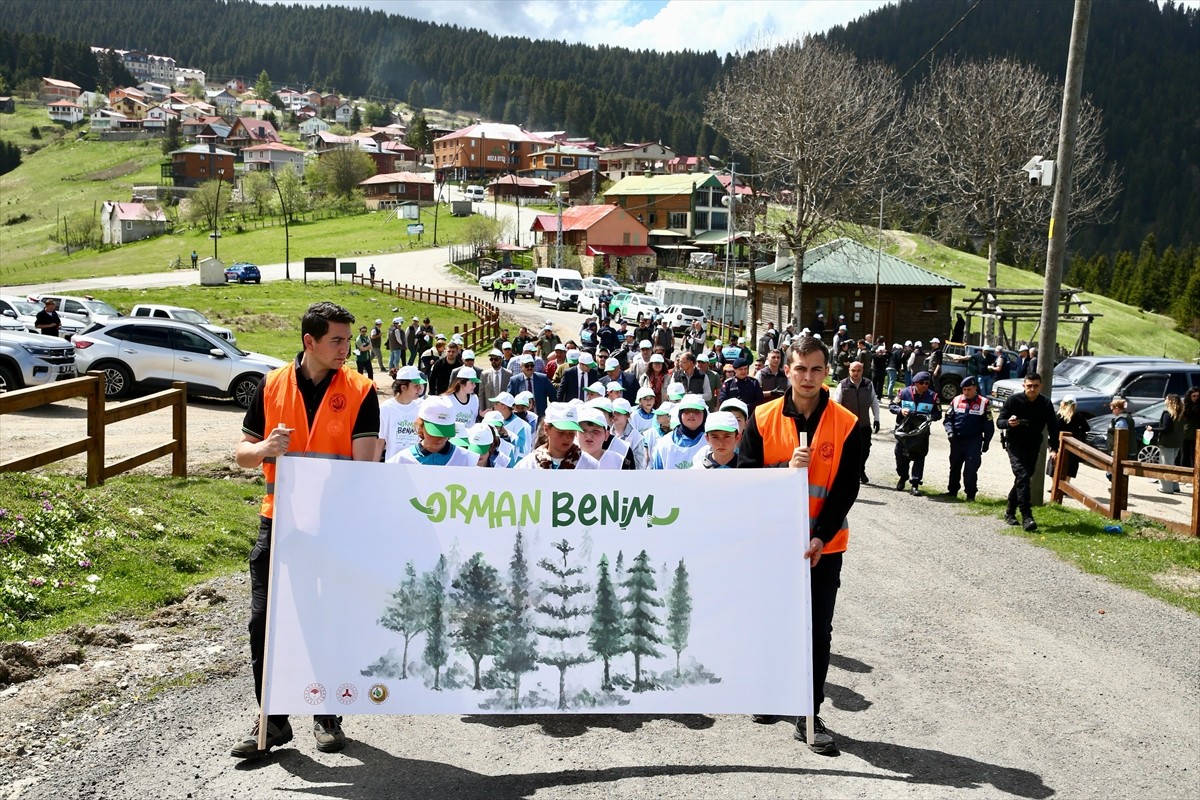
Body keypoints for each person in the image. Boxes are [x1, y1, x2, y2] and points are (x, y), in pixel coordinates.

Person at [232, 301, 379, 759]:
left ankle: (327, 713)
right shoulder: (271, 384)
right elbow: (242, 453)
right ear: (309, 341)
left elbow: (364, 465)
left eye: (348, 340)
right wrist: (264, 449)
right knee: (264, 622)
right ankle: (272, 720)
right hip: (278, 523)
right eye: (336, 340)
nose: (345, 348)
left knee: (326, 619)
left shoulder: (361, 389)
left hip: (333, 527)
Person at [738, 336, 862, 755]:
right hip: (772, 544)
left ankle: (808, 712)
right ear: (787, 370)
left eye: (816, 369)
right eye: (800, 369)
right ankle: (771, 694)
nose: (808, 377)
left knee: (817, 630)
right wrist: (783, 469)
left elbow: (845, 490)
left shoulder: (848, 423)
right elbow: (745, 478)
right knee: (772, 622)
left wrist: (820, 535)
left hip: (823, 547)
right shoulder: (762, 417)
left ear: (827, 372)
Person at [995, 373, 1058, 531]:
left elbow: (1053, 427)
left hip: (1033, 445)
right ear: (1024, 386)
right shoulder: (1013, 400)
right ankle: (1027, 516)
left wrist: (1054, 449)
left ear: (1040, 386)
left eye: (1035, 386)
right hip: (1015, 444)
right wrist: (1008, 423)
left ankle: (1009, 511)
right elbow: (999, 421)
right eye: (1029, 386)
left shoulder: (1045, 403)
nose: (1032, 389)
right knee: (1022, 475)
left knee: (1023, 478)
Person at [942, 376, 994, 501]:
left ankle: (970, 494)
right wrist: (950, 432)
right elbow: (948, 419)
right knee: (954, 467)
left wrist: (986, 442)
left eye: (969, 389)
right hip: (957, 440)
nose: (966, 392)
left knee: (971, 469)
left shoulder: (983, 402)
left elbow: (988, 425)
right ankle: (952, 491)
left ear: (975, 388)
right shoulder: (956, 400)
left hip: (974, 441)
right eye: (964, 390)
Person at [890, 371, 941, 496]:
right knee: (900, 455)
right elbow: (892, 406)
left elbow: (938, 414)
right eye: (922, 383)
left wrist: (930, 417)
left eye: (927, 383)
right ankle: (903, 476)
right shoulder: (903, 393)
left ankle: (915, 484)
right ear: (915, 383)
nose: (925, 385)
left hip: (921, 433)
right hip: (904, 431)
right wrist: (901, 410)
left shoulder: (933, 396)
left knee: (919, 457)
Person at [386, 395, 477, 466]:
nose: (439, 438)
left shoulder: (468, 460)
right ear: (421, 426)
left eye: (445, 432)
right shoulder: (400, 461)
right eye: (434, 433)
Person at [832, 360, 880, 485]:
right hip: (848, 426)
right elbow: (836, 404)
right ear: (849, 371)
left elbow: (874, 402)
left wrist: (877, 419)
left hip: (864, 424)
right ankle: (847, 472)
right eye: (853, 370)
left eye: (858, 370)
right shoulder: (843, 385)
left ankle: (860, 469)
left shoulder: (868, 384)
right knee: (848, 450)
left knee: (865, 449)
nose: (856, 373)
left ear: (862, 371)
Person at [514, 403, 599, 469]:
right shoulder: (527, 465)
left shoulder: (590, 465)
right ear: (546, 429)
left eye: (572, 433)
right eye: (561, 432)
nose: (567, 438)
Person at [376, 366, 426, 461]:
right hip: (393, 463)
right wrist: (374, 466)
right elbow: (380, 441)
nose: (420, 389)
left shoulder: (422, 406)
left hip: (416, 463)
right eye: (416, 385)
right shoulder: (386, 408)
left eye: (420, 385)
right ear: (403, 387)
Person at [651, 394, 708, 470]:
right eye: (687, 411)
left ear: (704, 415)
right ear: (680, 414)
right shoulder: (664, 444)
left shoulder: (712, 442)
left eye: (696, 411)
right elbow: (657, 474)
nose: (691, 414)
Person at [1151, 394, 1185, 494]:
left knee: (1166, 465)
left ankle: (1166, 488)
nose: (1164, 400)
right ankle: (1174, 486)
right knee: (1172, 464)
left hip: (1167, 442)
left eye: (1166, 398)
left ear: (1170, 401)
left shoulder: (1167, 413)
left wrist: (1152, 429)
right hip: (1177, 442)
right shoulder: (1181, 413)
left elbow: (1165, 429)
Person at [1050, 396, 1089, 480]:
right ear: (1075, 405)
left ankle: (1055, 485)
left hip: (1059, 447)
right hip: (1073, 448)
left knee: (1055, 471)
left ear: (1062, 404)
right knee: (1068, 473)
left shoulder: (1058, 416)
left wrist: (1053, 448)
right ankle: (1065, 483)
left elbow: (1053, 432)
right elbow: (1086, 428)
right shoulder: (1078, 416)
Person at [443, 366, 480, 430]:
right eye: (471, 383)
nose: (474, 386)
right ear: (462, 383)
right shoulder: (447, 399)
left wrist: (481, 415)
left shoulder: (475, 399)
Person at [1183, 386, 1200, 469]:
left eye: (1198, 396)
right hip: (1186, 435)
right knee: (1185, 455)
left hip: (1197, 435)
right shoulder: (1185, 406)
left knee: (1195, 456)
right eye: (1194, 396)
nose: (1196, 398)